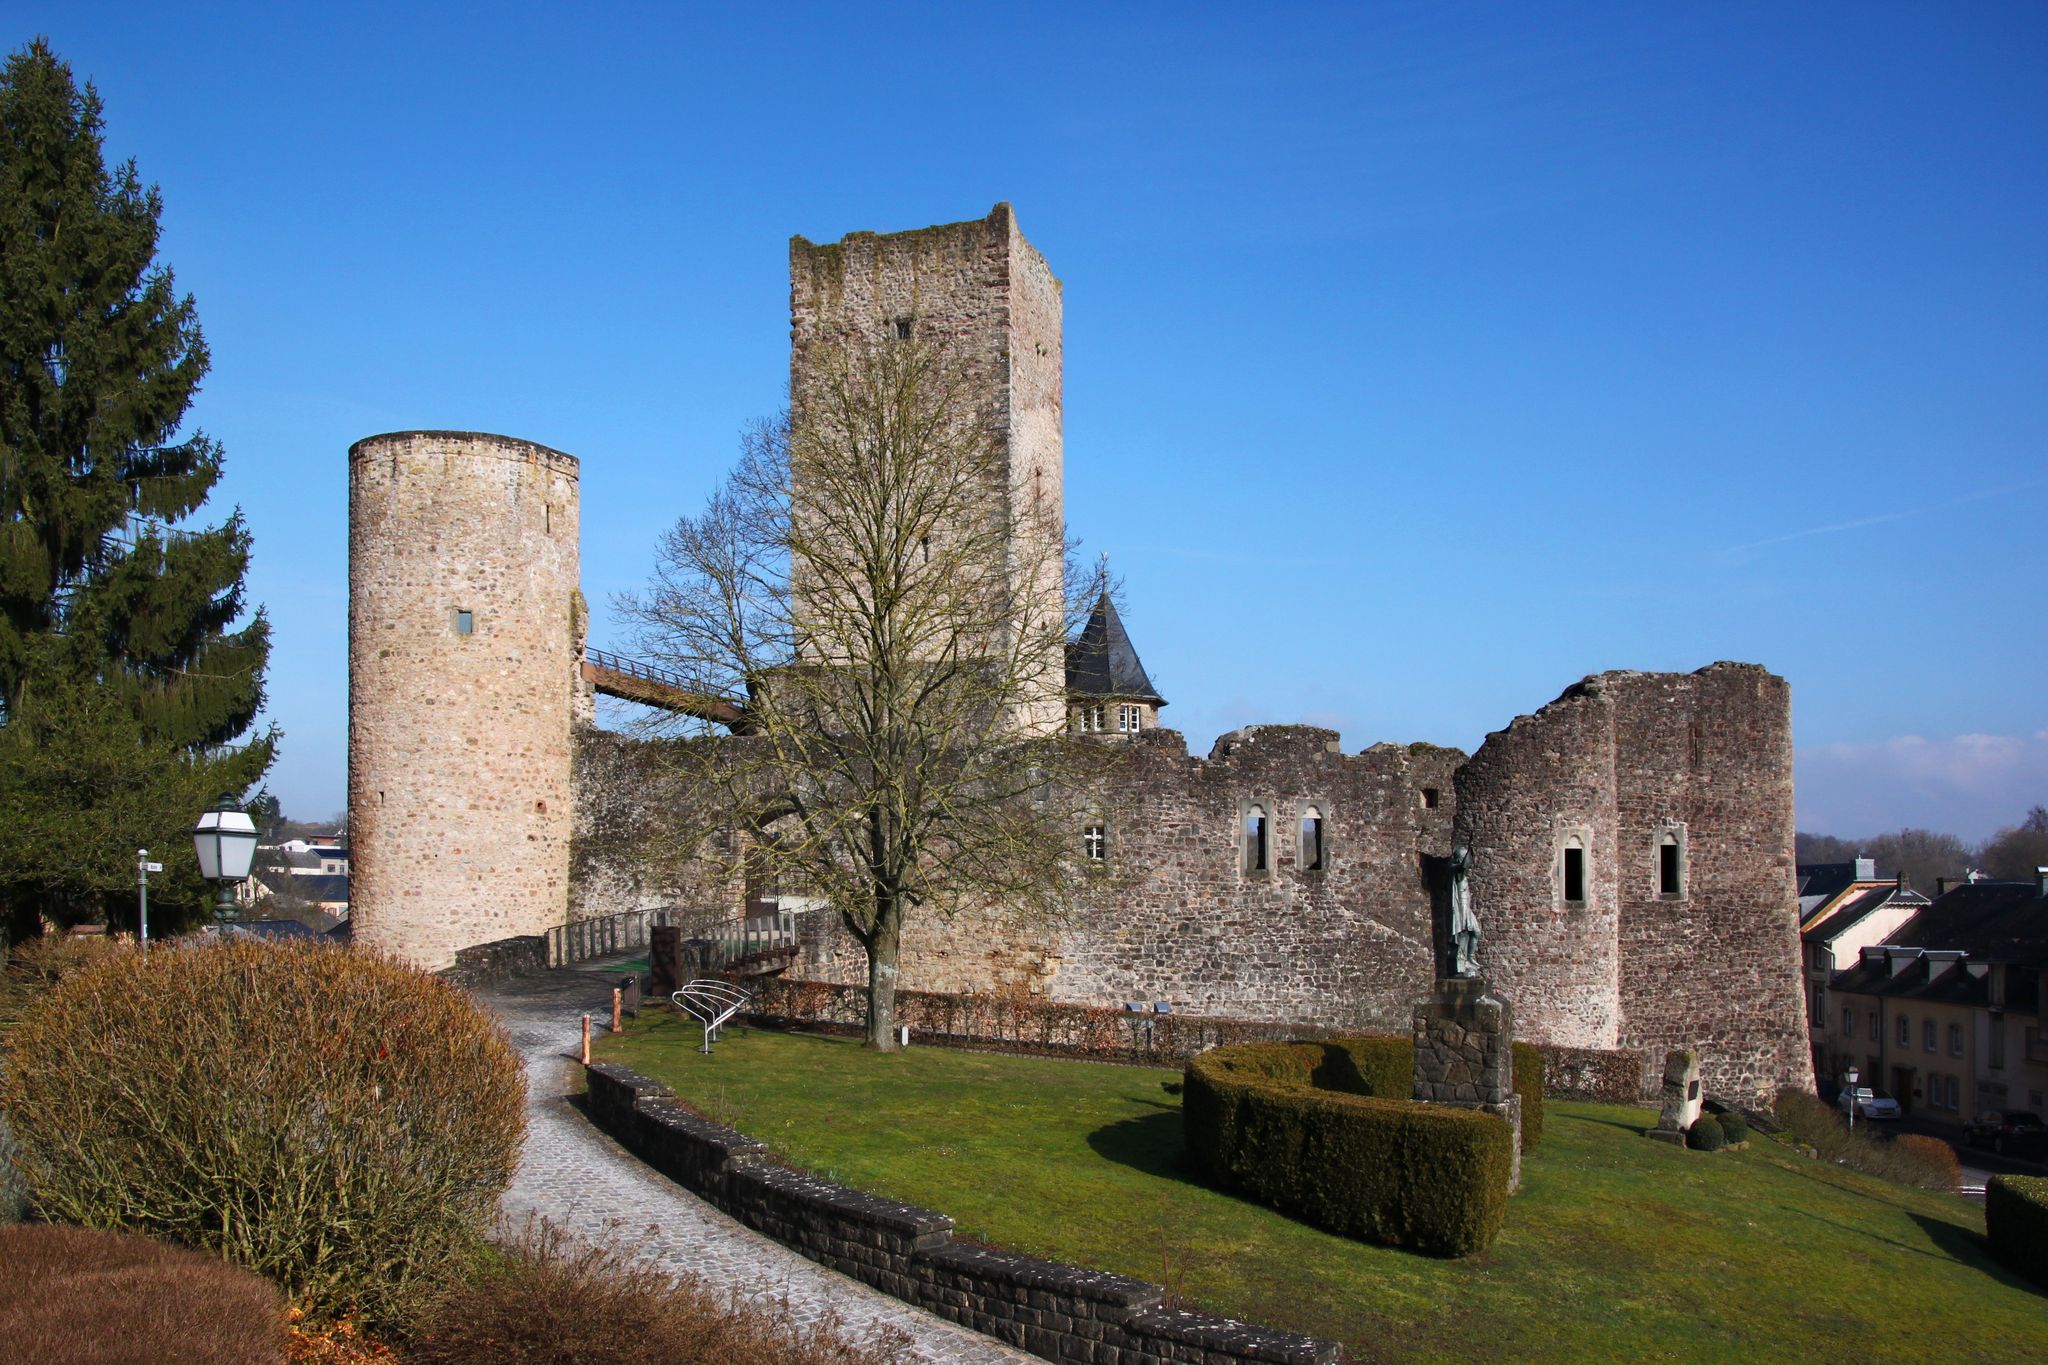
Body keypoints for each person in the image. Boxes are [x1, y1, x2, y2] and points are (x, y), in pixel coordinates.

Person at [1447, 843, 1481, 978]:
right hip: (1460, 909)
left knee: (1475, 933)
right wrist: (1471, 848)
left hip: (1465, 907)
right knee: (1463, 935)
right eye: (1464, 856)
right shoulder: (1456, 870)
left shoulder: (1459, 872)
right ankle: (1461, 964)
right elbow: (1464, 865)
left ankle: (1469, 958)